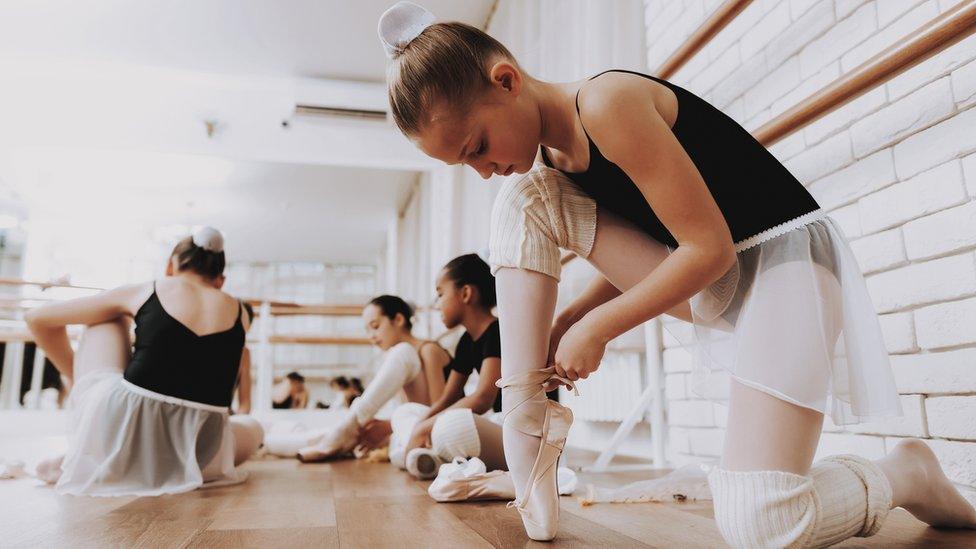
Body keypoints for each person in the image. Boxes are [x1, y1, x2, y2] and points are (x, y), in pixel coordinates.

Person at [377, 2, 976, 543]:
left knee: (762, 523)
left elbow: (706, 247)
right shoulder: (553, 164)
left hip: (787, 265)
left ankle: (906, 473)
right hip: (726, 278)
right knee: (524, 199)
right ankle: (529, 448)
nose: (483, 169)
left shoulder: (607, 103)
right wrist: (570, 316)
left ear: (505, 80)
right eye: (466, 163)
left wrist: (601, 326)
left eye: (477, 146)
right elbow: (656, 242)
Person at [26, 226, 264, 496]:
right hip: (202, 452)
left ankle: (98, 442)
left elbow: (37, 319)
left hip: (118, 430)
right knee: (253, 428)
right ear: (220, 280)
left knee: (106, 318)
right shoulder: (240, 313)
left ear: (170, 266)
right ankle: (120, 458)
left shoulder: (148, 289)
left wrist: (80, 382)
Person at [288, 295, 451, 461]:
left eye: (375, 326)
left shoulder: (427, 350)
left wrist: (389, 427)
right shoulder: (401, 360)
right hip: (413, 426)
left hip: (434, 429)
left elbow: (440, 409)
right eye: (367, 331)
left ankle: (346, 428)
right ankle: (273, 443)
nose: (371, 336)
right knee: (330, 435)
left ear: (399, 320)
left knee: (402, 352)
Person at [392, 253, 507, 479]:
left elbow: (483, 398)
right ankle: (429, 456)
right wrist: (420, 424)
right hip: (494, 424)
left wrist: (425, 428)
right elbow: (449, 397)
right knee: (406, 413)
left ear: (465, 293)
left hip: (516, 428)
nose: (437, 305)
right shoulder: (466, 340)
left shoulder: (498, 331)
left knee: (452, 425)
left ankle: (424, 452)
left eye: (440, 294)